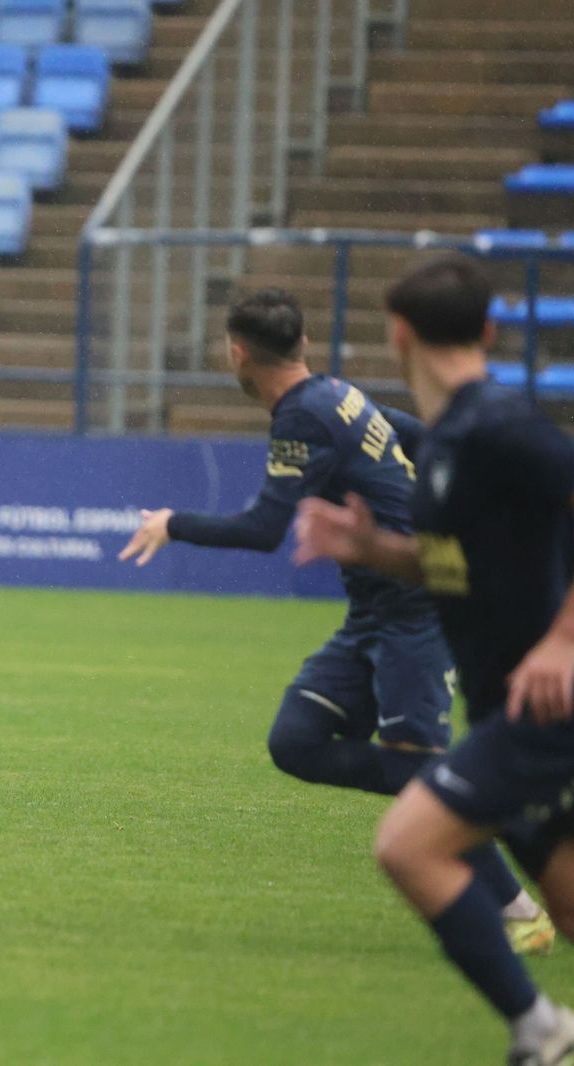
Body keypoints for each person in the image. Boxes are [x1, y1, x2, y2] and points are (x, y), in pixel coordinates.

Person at [119, 289, 551, 953]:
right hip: (373, 611)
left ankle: (519, 907)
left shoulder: (303, 415)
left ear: (237, 352)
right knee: (296, 741)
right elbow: (417, 436)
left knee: (421, 770)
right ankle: (440, 784)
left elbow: (265, 529)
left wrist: (174, 523)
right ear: (303, 344)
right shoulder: (337, 393)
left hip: (413, 611)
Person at [295, 253, 574, 1064]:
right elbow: (457, 564)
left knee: (408, 846)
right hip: (502, 704)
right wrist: (375, 549)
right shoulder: (447, 438)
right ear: (488, 329)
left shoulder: (500, 427)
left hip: (541, 707)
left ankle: (539, 1029)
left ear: (397, 335)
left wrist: (562, 641)